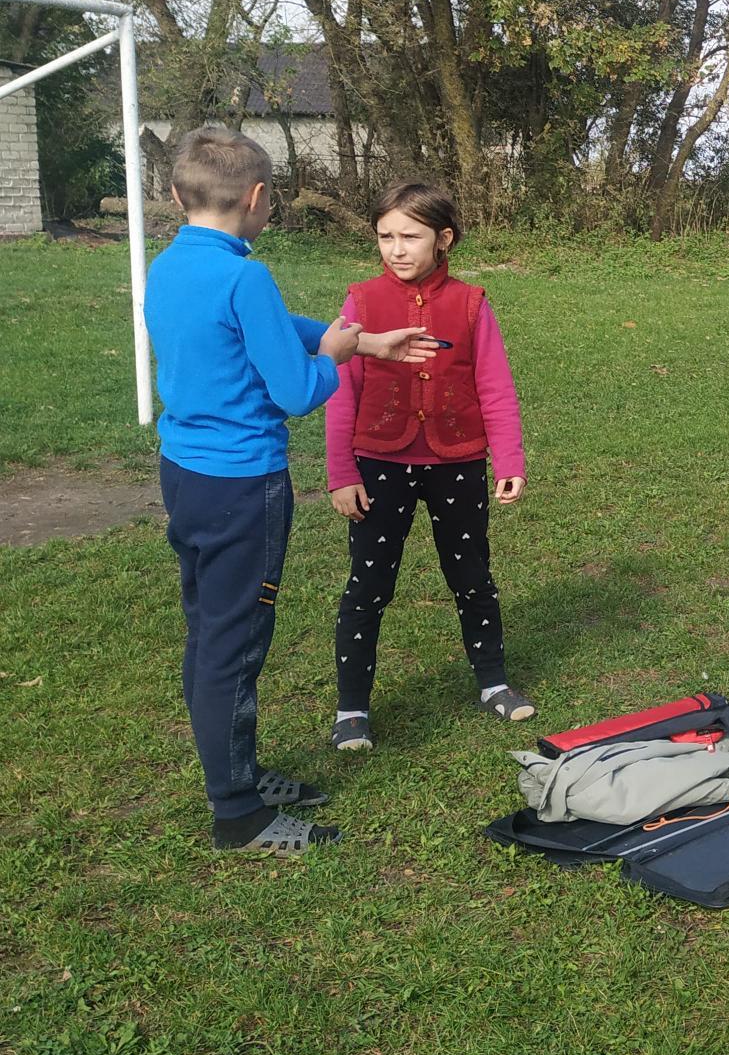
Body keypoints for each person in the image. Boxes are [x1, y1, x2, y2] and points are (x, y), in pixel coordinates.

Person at [145, 125, 433, 854]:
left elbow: (267, 327)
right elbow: (298, 390)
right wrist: (335, 357)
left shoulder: (169, 265)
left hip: (185, 476)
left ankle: (237, 773)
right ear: (258, 198)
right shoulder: (247, 277)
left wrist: (367, 341)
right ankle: (237, 813)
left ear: (176, 195)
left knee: (210, 630)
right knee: (235, 644)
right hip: (243, 486)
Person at [322, 182, 531, 752]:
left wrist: (508, 457)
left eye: (410, 237)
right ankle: (352, 708)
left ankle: (493, 681)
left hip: (457, 462)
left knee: (472, 577)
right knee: (368, 585)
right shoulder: (361, 303)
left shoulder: (471, 303)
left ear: (444, 239)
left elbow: (495, 386)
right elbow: (341, 392)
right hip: (377, 464)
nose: (396, 249)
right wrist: (342, 473)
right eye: (385, 236)